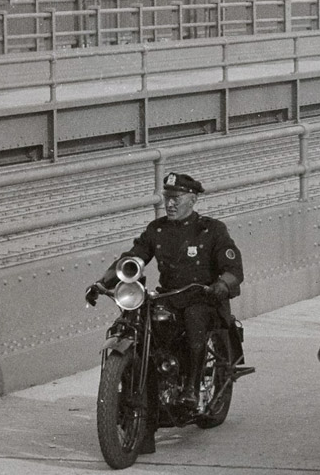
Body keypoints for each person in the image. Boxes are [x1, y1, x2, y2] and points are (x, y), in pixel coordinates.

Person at [92, 171, 246, 430]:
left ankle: (191, 390)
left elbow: (234, 269)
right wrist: (102, 283)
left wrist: (221, 285)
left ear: (192, 199)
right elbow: (133, 257)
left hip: (203, 297)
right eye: (167, 198)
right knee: (139, 323)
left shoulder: (211, 230)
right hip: (169, 296)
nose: (170, 203)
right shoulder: (158, 229)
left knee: (194, 320)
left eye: (176, 198)